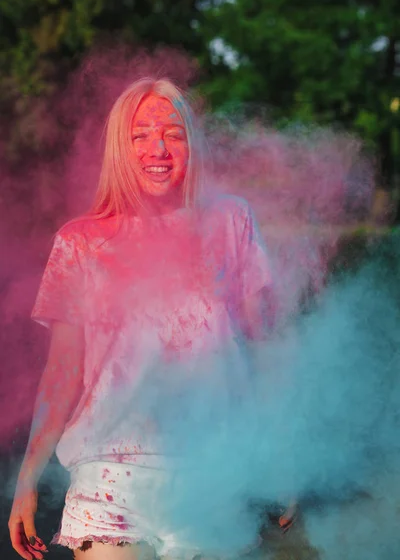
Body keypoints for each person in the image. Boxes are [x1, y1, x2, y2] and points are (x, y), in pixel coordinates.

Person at [8, 78, 278, 560]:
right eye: (140, 136)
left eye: (173, 134)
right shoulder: (80, 242)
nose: (158, 148)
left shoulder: (231, 222)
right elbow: (63, 370)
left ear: (192, 144)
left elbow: (264, 350)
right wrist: (28, 476)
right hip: (107, 476)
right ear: (120, 148)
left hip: (213, 474)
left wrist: (287, 462)